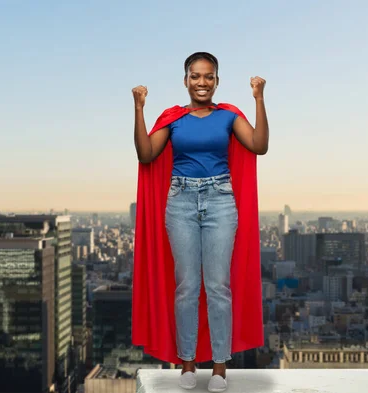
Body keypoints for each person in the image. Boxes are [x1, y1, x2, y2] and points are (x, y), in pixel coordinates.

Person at [131, 52, 269, 392]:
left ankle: (220, 368)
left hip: (221, 201)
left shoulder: (228, 116)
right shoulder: (173, 119)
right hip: (180, 202)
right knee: (187, 286)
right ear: (186, 81)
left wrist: (259, 99)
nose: (202, 82)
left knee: (218, 286)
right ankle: (188, 364)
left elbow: (259, 145)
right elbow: (146, 154)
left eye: (209, 76)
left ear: (217, 81)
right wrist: (139, 109)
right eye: (196, 76)